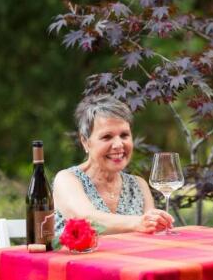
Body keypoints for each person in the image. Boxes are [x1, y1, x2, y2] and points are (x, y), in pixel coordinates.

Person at [53, 94, 173, 235]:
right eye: (107, 137)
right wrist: (138, 222)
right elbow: (84, 219)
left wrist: (159, 223)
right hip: (75, 257)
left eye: (124, 135)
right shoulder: (67, 179)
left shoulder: (139, 185)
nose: (118, 144)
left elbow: (151, 234)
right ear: (85, 141)